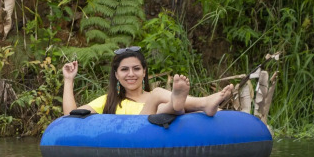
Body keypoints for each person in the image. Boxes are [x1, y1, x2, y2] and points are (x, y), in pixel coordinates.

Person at [62, 46, 233, 116]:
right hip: (137, 134)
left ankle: (182, 105)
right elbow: (71, 116)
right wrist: (69, 80)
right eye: (124, 69)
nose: (131, 74)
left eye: (136, 69)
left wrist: (223, 117)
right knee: (157, 96)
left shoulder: (159, 97)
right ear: (116, 75)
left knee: (166, 106)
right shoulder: (108, 101)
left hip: (162, 123)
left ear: (144, 72)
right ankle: (202, 102)